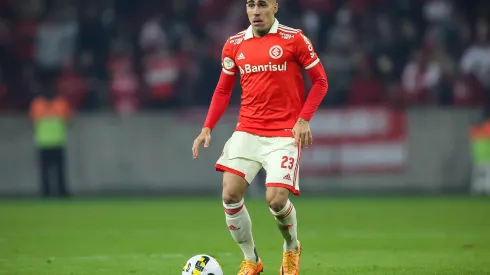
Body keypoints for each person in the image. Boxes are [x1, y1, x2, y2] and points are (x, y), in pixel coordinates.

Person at [191, 0, 328, 274]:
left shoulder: (295, 39)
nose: (255, 11)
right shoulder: (234, 44)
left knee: (276, 200)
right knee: (230, 193)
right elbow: (222, 91)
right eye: (250, 5)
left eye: (262, 4)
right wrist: (207, 127)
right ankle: (251, 259)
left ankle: (291, 248)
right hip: (248, 130)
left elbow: (321, 82)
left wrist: (303, 120)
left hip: (284, 134)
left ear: (275, 6)